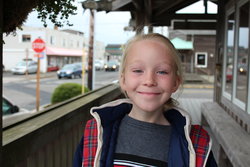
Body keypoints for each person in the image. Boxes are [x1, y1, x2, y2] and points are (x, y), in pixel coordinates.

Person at [73, 33, 217, 167]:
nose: (149, 81)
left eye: (162, 71)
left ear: (175, 83)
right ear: (123, 80)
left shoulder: (196, 144)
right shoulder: (96, 133)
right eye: (137, 70)